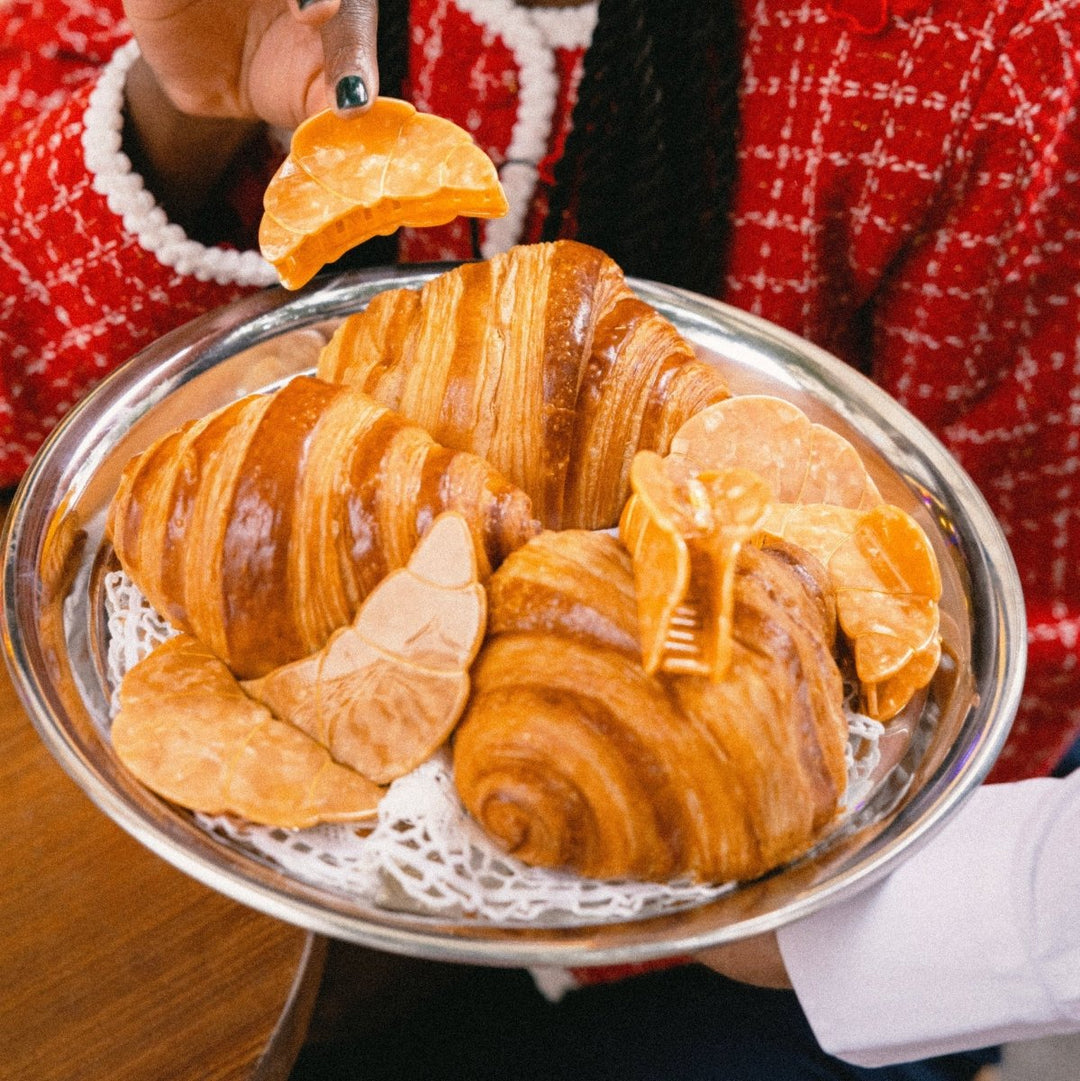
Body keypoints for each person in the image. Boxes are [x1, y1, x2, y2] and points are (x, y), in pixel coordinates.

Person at [1, 0, 1077, 1077]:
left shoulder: (976, 63)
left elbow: (1000, 629)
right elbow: (38, 382)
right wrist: (184, 115)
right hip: (234, 807)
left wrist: (746, 804)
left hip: (756, 930)